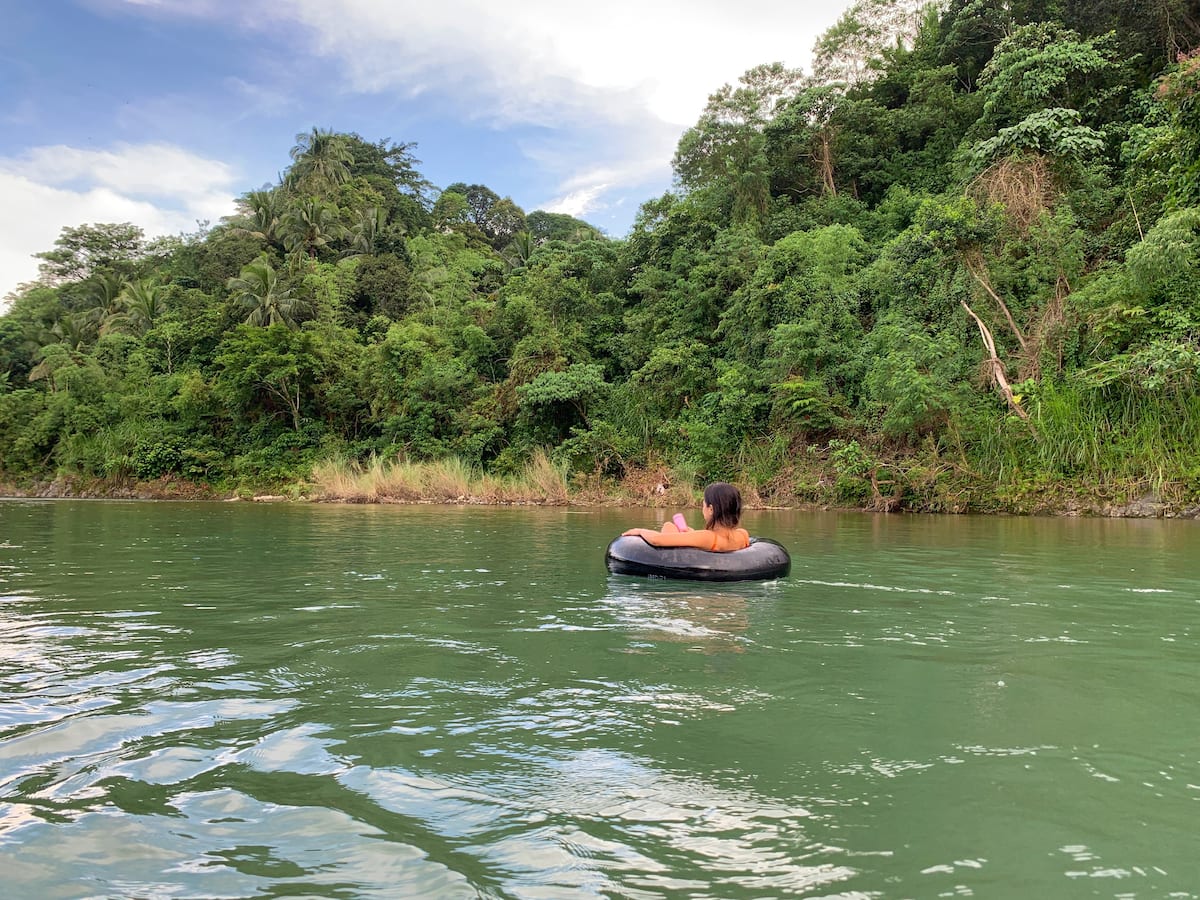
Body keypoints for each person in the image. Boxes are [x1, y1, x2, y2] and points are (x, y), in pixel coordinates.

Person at [623, 482, 751, 552]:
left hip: (692, 594)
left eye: (704, 504)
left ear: (711, 509)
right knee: (671, 526)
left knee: (668, 526)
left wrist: (639, 531)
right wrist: (691, 534)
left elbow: (657, 540)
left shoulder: (708, 537)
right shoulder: (743, 535)